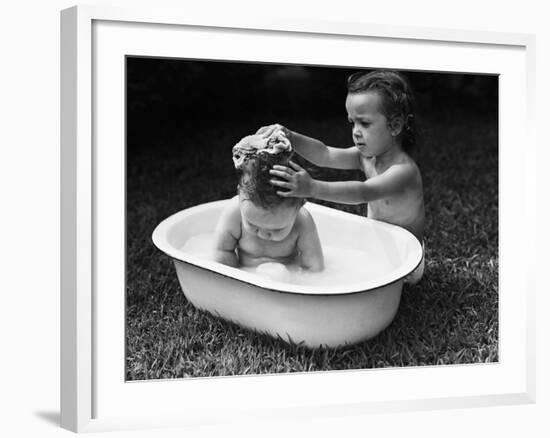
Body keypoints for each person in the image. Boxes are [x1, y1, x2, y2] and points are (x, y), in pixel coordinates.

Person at [259, 70, 425, 283]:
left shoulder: (403, 171)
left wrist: (313, 188)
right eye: (352, 123)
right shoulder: (366, 157)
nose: (356, 131)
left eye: (364, 123)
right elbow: (324, 154)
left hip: (407, 260)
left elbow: (364, 192)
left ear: (395, 125)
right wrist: (290, 136)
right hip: (377, 245)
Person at [212, 128, 325, 275]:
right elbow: (222, 251)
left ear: (300, 204)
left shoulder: (303, 222)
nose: (263, 234)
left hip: (287, 280)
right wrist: (238, 277)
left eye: (277, 229)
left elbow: (314, 267)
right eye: (252, 224)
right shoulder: (234, 213)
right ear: (240, 196)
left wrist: (296, 282)